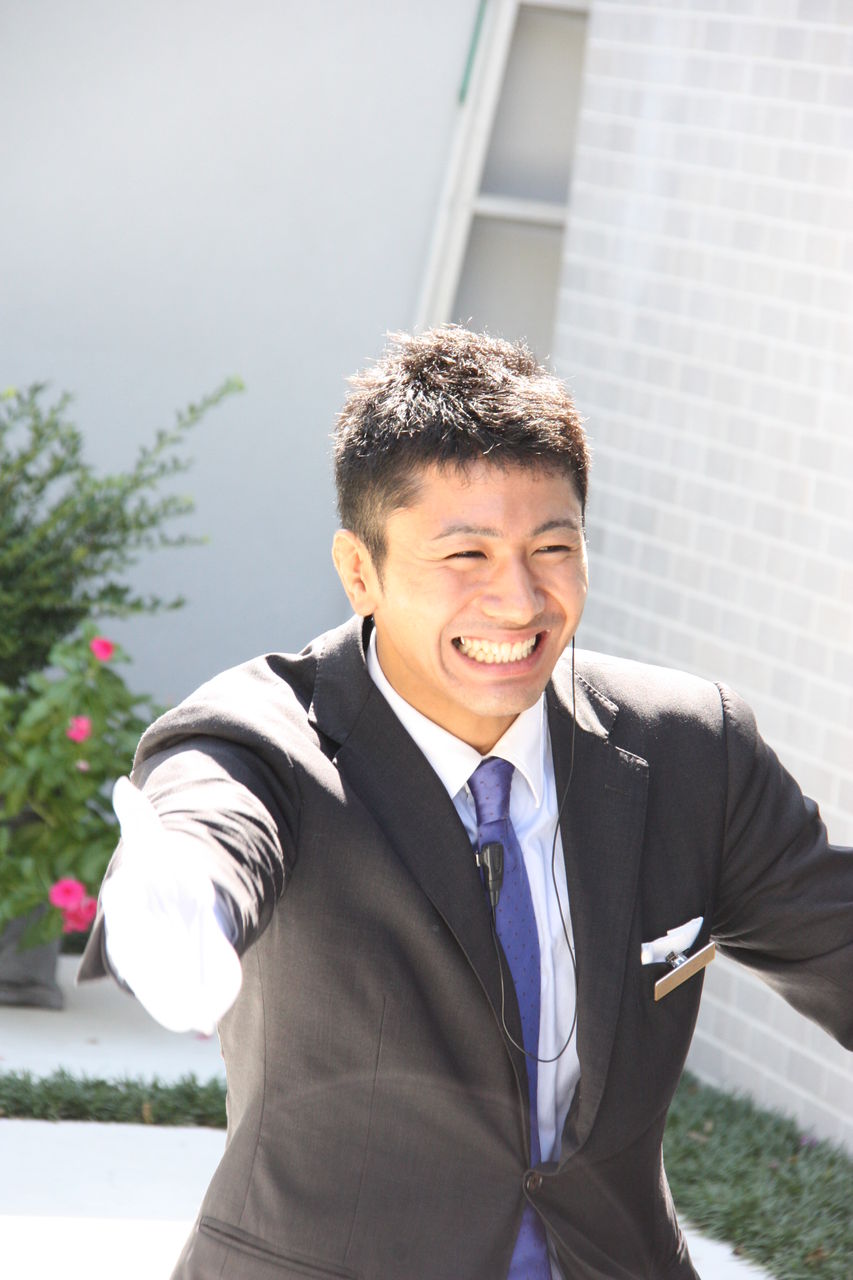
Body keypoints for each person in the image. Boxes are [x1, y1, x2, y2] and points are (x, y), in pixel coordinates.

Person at [79, 327, 853, 1280]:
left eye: (551, 547)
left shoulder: (691, 748)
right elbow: (208, 831)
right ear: (359, 572)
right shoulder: (262, 738)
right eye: (466, 555)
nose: (518, 601)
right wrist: (178, 910)